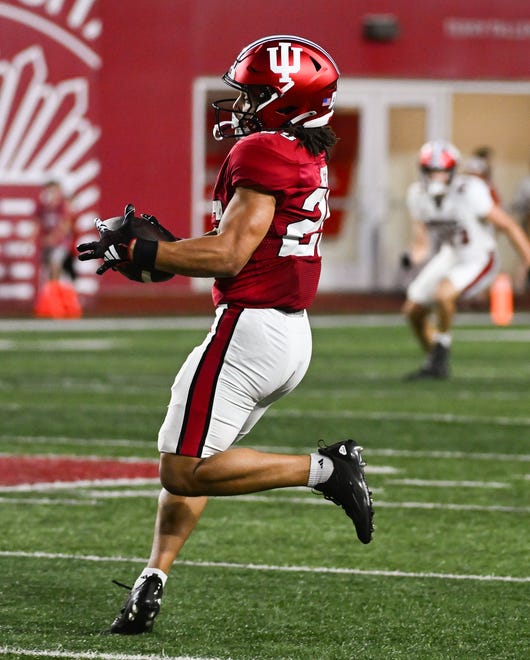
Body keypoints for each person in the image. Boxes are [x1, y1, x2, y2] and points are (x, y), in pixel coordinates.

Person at [77, 35, 374, 635]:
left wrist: (141, 248)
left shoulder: (265, 150)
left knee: (181, 469)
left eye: (257, 93)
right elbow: (239, 247)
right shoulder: (301, 152)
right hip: (287, 337)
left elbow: (230, 253)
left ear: (286, 101)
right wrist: (160, 254)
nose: (241, 104)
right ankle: (153, 578)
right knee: (202, 458)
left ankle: (325, 468)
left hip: (249, 330)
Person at [401, 140, 530, 379]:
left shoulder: (470, 191)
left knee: (443, 293)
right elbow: (422, 244)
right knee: (413, 311)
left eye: (441, 171)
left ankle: (441, 352)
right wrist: (411, 258)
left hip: (479, 256)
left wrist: (527, 258)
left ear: (452, 171)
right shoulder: (417, 195)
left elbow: (508, 225)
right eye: (431, 171)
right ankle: (436, 361)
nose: (436, 177)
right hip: (451, 254)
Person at [35, 180, 75, 283]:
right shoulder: (43, 207)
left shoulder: (63, 206)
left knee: (55, 263)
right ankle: (51, 290)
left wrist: (53, 238)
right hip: (48, 243)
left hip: (62, 242)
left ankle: (55, 290)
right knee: (46, 269)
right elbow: (37, 222)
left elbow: (66, 226)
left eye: (53, 191)